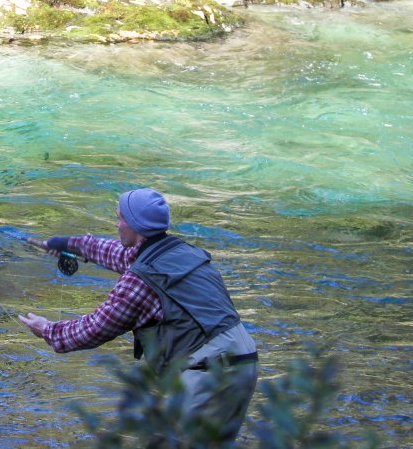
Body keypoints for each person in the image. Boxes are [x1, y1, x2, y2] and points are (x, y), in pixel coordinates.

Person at [18, 188, 259, 443]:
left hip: (209, 374)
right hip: (244, 363)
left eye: (120, 218)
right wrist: (68, 244)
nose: (116, 223)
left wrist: (47, 329)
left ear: (136, 226)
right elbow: (119, 253)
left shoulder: (139, 282)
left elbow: (95, 328)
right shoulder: (181, 252)